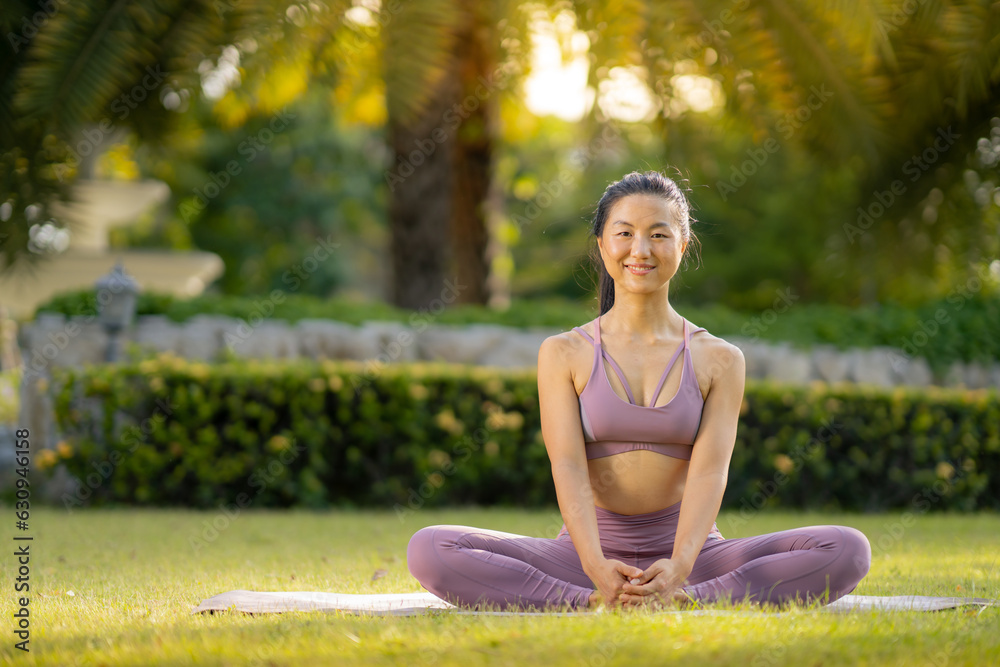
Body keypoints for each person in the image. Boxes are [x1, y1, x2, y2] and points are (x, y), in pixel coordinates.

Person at [407, 170, 871, 611]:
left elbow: (711, 473)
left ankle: (689, 598)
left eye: (659, 233)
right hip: (583, 559)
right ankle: (589, 601)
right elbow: (566, 464)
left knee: (846, 548)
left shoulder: (720, 359)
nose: (640, 249)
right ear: (602, 245)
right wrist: (594, 567)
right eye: (625, 232)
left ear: (683, 245)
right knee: (431, 547)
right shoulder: (564, 352)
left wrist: (680, 568)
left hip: (693, 557)